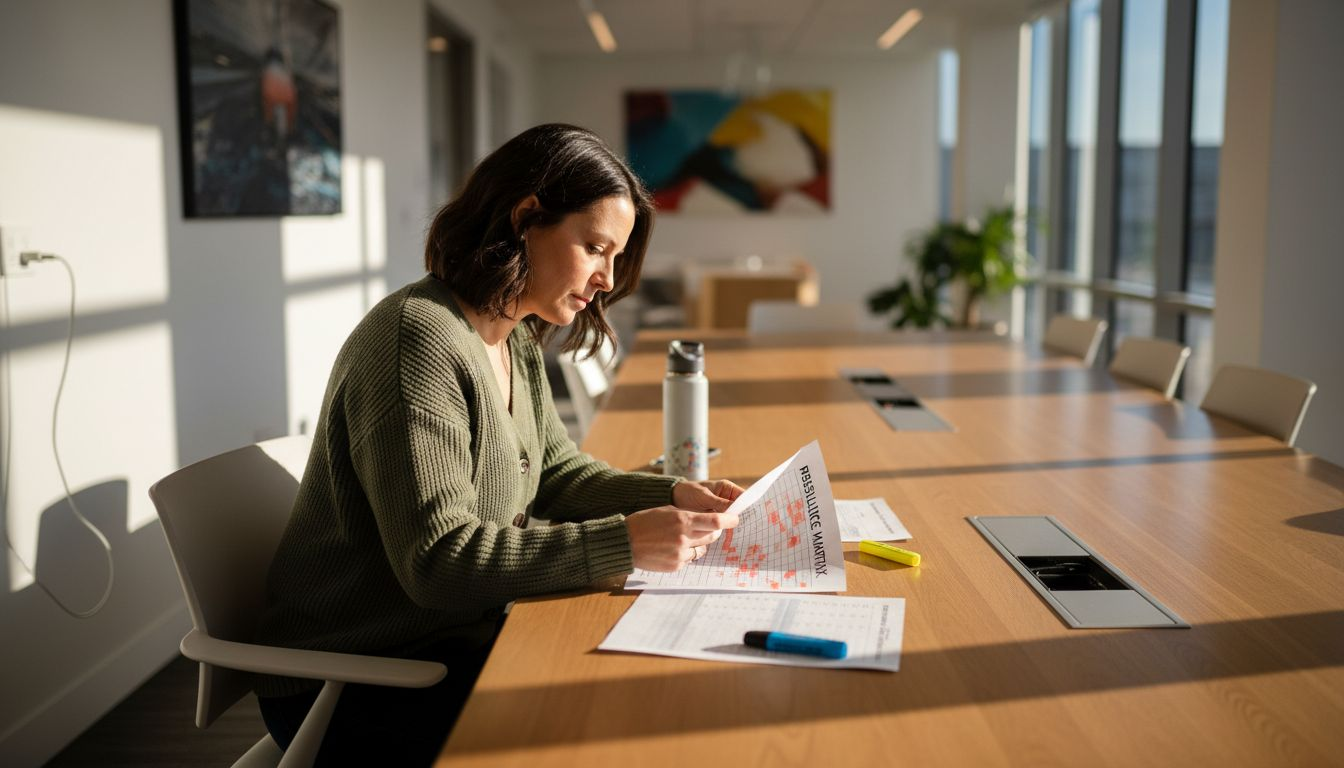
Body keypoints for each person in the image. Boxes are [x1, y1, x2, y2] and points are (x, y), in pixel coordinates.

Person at [253, 123, 742, 765]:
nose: (607, 280)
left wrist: (677, 494)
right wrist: (625, 541)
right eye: (596, 248)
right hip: (357, 676)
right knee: (620, 718)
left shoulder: (511, 331)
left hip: (449, 638)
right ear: (526, 218)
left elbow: (558, 474)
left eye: (616, 258)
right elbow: (436, 562)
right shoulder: (419, 341)